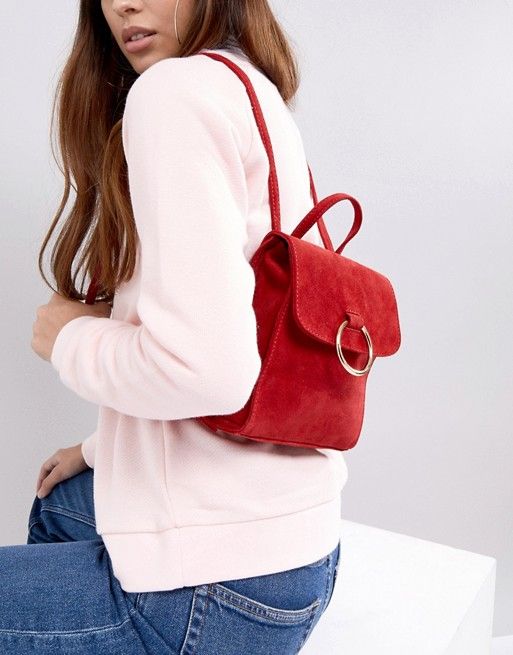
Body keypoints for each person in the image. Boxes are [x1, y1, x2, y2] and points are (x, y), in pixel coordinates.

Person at [1, 1, 346, 652]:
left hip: (211, 593)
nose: (123, 5)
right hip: (300, 560)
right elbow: (251, 344)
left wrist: (66, 337)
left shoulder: (173, 91)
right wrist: (102, 450)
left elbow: (210, 373)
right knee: (64, 499)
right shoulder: (249, 87)